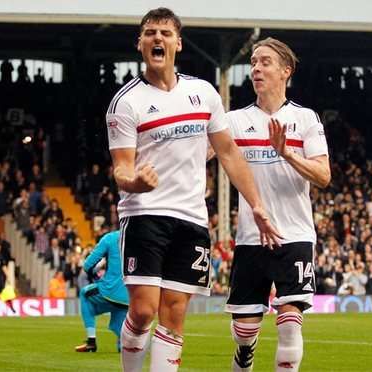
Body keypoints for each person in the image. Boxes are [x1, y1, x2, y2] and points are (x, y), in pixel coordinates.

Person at [106, 8, 281, 372]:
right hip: (145, 213)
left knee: (175, 313)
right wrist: (135, 181)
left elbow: (229, 153)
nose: (157, 38)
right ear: (139, 44)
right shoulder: (126, 103)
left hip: (192, 217)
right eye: (150, 33)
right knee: (142, 310)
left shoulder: (203, 94)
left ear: (178, 43)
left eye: (165, 33)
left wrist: (257, 205)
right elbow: (121, 167)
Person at [224, 38, 330, 372]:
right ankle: (246, 350)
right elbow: (205, 154)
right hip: (250, 235)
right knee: (244, 328)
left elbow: (324, 175)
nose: (256, 68)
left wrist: (287, 153)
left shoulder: (306, 119)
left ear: (286, 70)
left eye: (265, 62)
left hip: (295, 233)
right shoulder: (235, 121)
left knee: (289, 321)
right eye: (253, 62)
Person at [75, 230, 129, 353]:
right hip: (131, 296)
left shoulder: (111, 238)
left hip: (109, 290)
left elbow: (88, 264)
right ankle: (127, 344)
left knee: (84, 293)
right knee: (119, 329)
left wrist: (94, 277)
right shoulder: (140, 239)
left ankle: (91, 341)